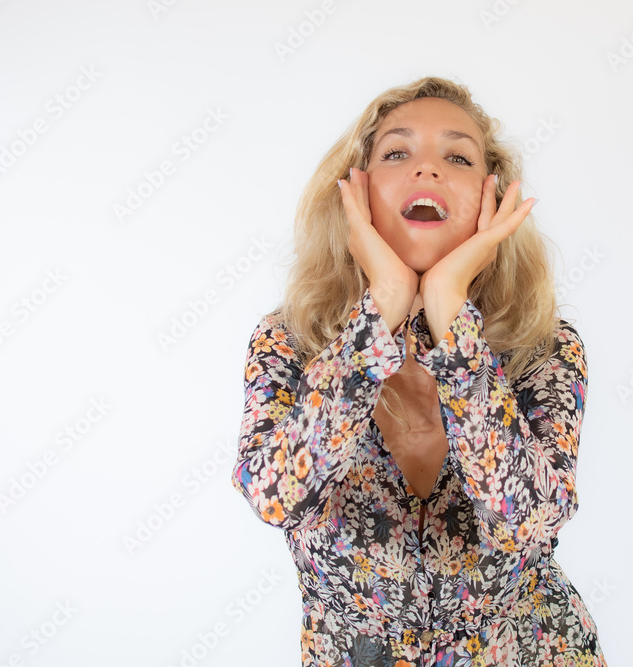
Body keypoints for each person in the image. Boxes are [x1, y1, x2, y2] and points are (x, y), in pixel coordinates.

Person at [231, 75, 608, 667]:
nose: (427, 170)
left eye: (456, 156)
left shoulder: (546, 350)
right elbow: (276, 496)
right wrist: (382, 303)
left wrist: (451, 309)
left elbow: (532, 520)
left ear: (493, 200)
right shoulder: (288, 344)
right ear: (355, 190)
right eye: (397, 152)